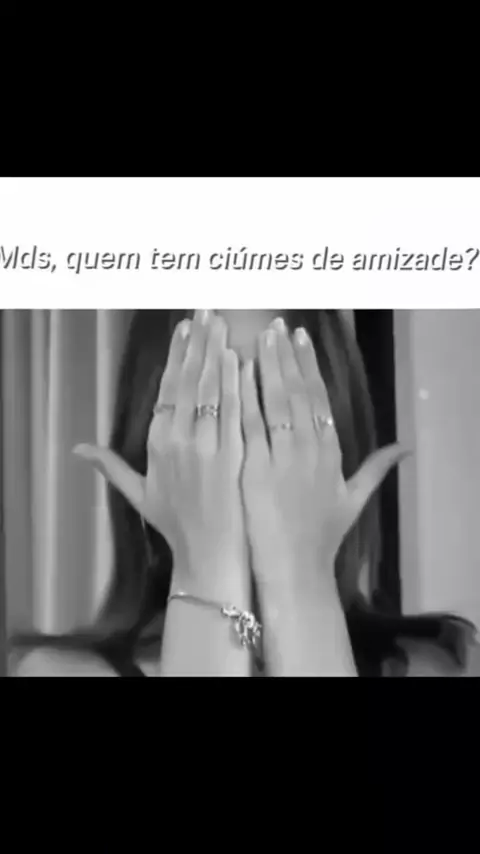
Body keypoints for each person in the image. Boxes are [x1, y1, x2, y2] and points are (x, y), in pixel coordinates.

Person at [11, 309, 479, 677]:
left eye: (274, 399)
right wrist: (208, 566)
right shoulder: (60, 673)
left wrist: (300, 580)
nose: (243, 443)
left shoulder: (437, 664)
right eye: (211, 406)